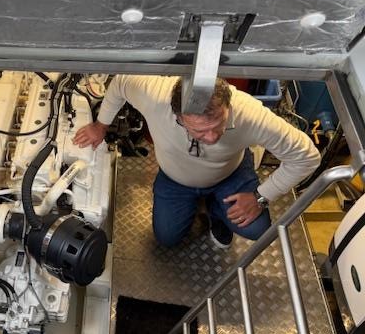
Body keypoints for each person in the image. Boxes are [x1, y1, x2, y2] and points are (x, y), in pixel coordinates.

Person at [73, 76, 320, 249]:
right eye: (199, 131)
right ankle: (199, 204)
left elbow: (307, 156)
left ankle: (216, 212)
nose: (211, 138)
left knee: (257, 229)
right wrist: (100, 126)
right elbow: (120, 84)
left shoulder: (251, 114)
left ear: (228, 105)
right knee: (166, 238)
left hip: (229, 174)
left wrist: (261, 196)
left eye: (218, 125)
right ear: (178, 116)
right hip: (176, 179)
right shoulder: (154, 95)